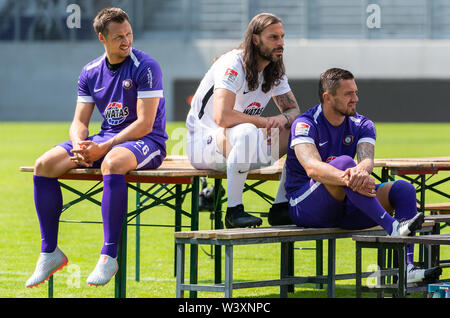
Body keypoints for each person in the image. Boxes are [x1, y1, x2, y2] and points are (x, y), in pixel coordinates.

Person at [26, 7, 168, 288]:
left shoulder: (146, 66)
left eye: (128, 34)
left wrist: (102, 148)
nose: (126, 41)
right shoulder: (90, 71)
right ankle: (50, 252)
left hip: (147, 141)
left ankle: (109, 255)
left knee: (112, 163)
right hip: (106, 140)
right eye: (118, 37)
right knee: (43, 165)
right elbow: (79, 121)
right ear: (102, 38)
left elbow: (145, 123)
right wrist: (80, 144)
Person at [284, 67, 442, 283]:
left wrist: (360, 171)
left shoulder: (363, 124)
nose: (355, 98)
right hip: (306, 207)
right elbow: (312, 167)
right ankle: (393, 227)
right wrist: (347, 176)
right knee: (345, 163)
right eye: (349, 94)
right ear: (327, 97)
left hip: (348, 204)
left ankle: (407, 269)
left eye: (356, 92)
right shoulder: (305, 123)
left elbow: (367, 160)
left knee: (404, 189)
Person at [186, 13, 301, 228]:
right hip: (204, 146)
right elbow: (223, 116)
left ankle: (281, 206)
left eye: (282, 37)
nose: (281, 43)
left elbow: (293, 109)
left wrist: (280, 118)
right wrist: (265, 123)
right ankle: (234, 211)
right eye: (273, 37)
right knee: (247, 130)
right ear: (256, 39)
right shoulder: (233, 63)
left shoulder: (274, 69)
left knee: (301, 129)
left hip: (241, 146)